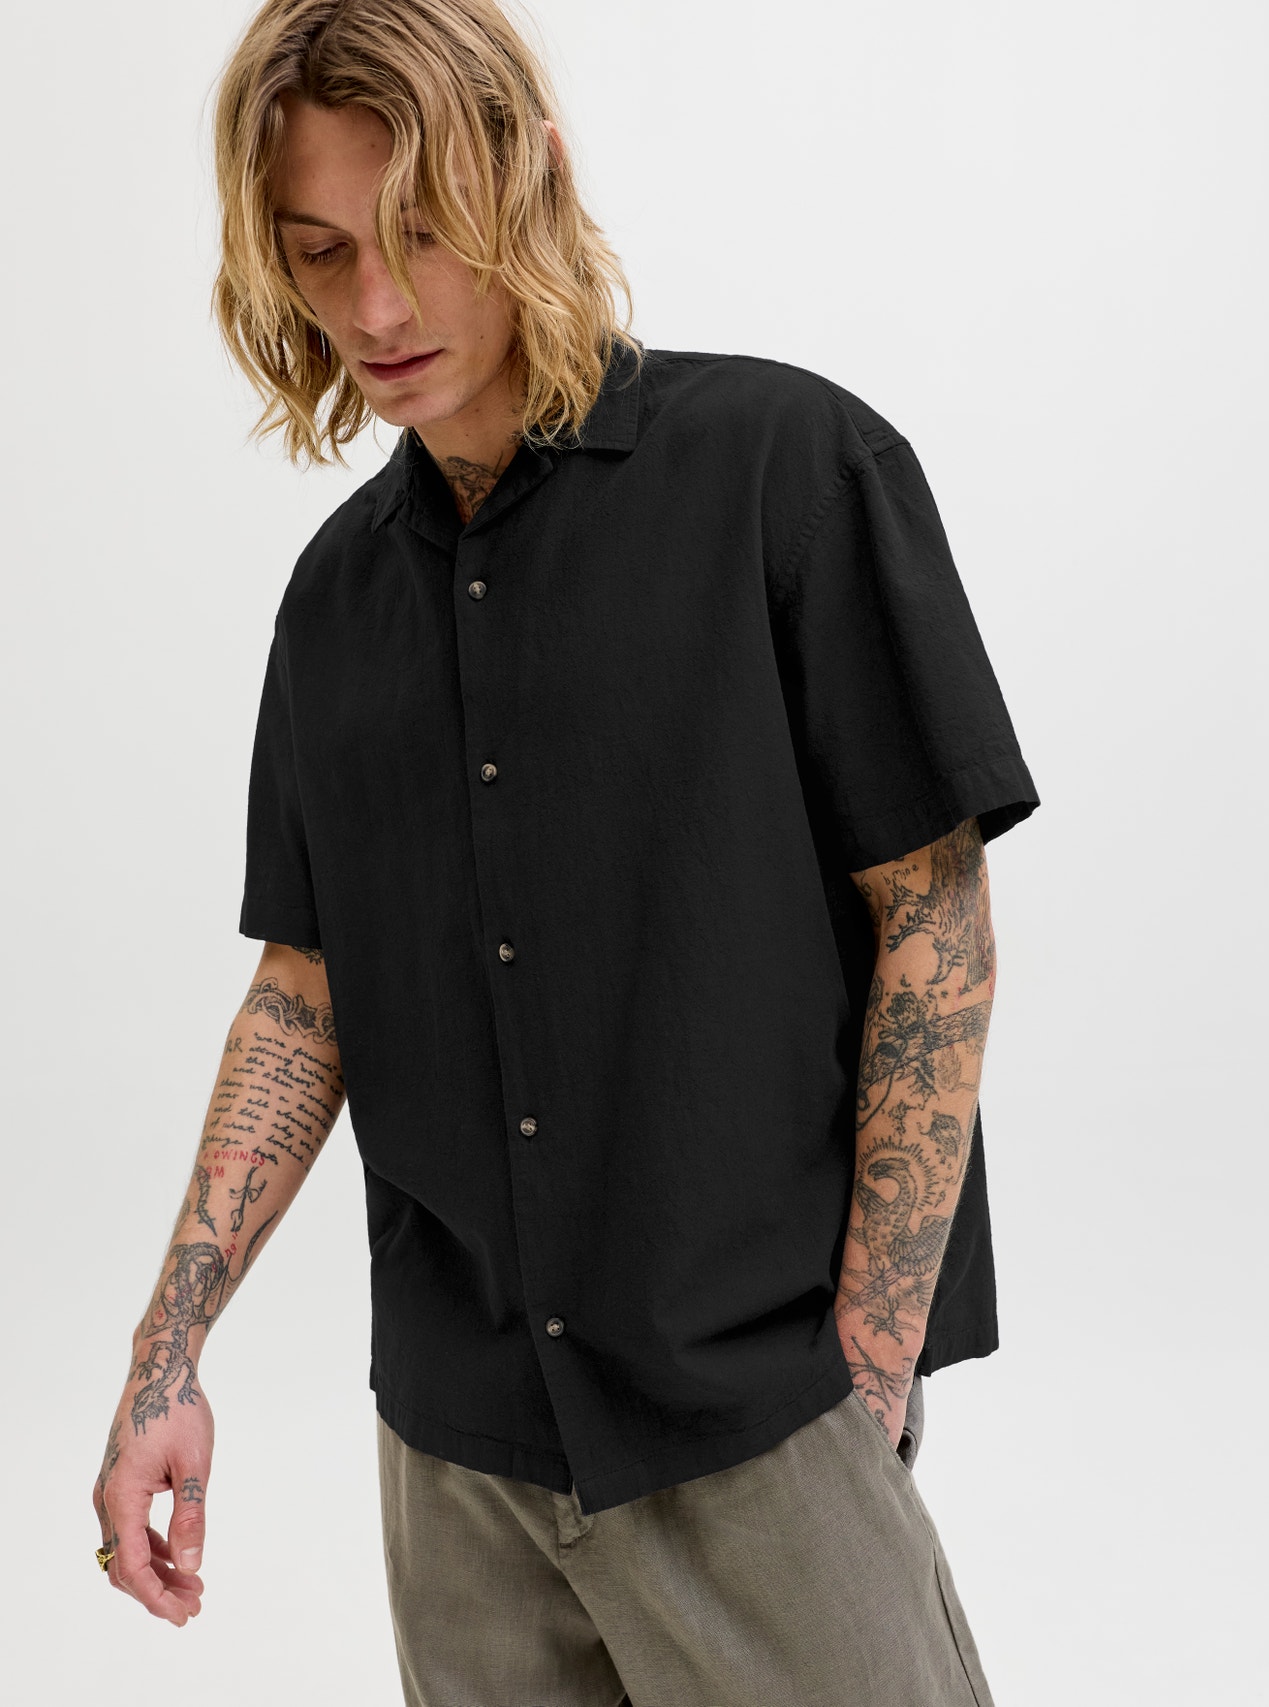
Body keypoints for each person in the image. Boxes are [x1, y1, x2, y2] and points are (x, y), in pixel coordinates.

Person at [91, 2, 1040, 1701]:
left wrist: (868, 1369)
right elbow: (306, 991)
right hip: (455, 1459)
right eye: (320, 253)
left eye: (421, 231)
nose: (376, 310)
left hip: (754, 1421)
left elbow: (936, 920)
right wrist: (169, 1354)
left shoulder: (790, 472)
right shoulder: (335, 603)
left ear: (530, 174)